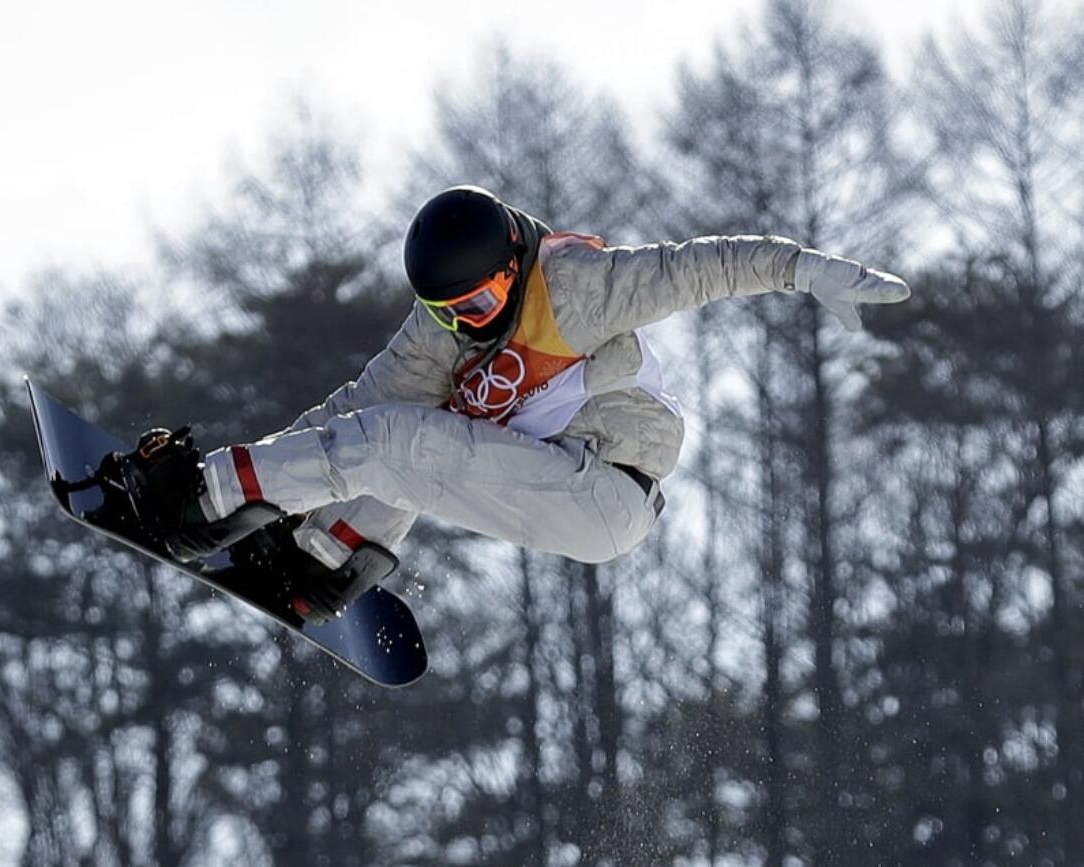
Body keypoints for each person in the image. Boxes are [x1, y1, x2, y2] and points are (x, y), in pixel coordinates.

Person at [139, 185, 910, 623]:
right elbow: (353, 419)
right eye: (447, 309)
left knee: (402, 441)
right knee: (400, 430)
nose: (466, 320)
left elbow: (704, 266)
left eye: (478, 300)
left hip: (608, 487)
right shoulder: (439, 333)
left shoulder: (576, 287)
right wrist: (276, 497)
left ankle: (202, 504)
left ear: (513, 263)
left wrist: (807, 270)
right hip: (547, 473)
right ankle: (325, 560)